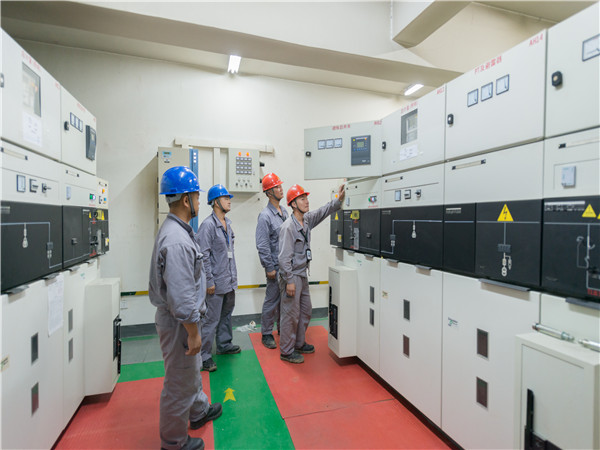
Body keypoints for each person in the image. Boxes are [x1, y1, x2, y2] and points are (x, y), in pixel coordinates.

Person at [149, 166, 222, 450]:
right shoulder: (178, 240)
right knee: (179, 382)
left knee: (190, 371)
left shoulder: (178, 231)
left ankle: (198, 410)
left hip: (183, 319)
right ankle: (173, 442)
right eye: (196, 196)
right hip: (180, 322)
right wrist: (193, 332)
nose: (199, 201)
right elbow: (181, 297)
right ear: (185, 199)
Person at [278, 183, 345, 363]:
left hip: (302, 274)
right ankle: (286, 351)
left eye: (306, 198)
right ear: (293, 204)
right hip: (291, 276)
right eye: (302, 199)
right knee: (290, 314)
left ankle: (299, 343)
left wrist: (338, 200)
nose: (306, 201)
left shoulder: (307, 220)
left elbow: (323, 211)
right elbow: (283, 258)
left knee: (305, 310)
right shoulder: (288, 227)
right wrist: (289, 280)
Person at [196, 184, 240, 372]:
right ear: (215, 202)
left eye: (229, 198)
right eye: (225, 198)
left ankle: (224, 344)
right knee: (211, 320)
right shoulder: (208, 226)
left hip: (228, 280)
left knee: (226, 315)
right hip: (215, 282)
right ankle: (204, 356)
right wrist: (209, 281)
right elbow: (203, 256)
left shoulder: (227, 224)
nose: (229, 201)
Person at [255, 173, 289, 349]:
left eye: (280, 185)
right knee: (272, 300)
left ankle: (283, 329)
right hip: (274, 267)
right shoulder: (265, 216)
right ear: (269, 192)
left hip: (286, 266)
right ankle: (266, 333)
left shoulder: (285, 212)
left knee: (285, 300)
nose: (281, 189)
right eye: (277, 187)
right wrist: (269, 267)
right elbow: (262, 244)